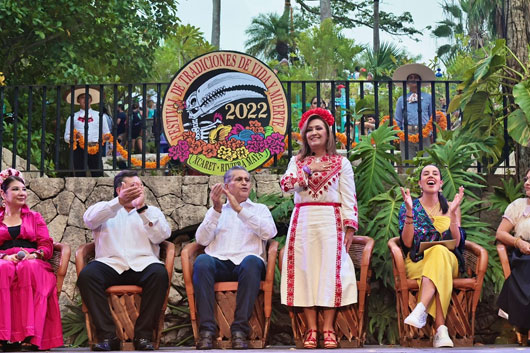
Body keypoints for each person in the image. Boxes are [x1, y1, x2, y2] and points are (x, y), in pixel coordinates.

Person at [280, 108, 359, 349]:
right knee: (304, 272)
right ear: (304, 135)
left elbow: (349, 197)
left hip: (331, 221)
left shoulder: (341, 162)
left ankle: (328, 329)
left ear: (328, 134)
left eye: (319, 129)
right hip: (303, 220)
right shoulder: (297, 161)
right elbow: (285, 186)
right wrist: (307, 173)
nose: (314, 133)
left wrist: (350, 228)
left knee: (330, 274)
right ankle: (312, 329)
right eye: (310, 130)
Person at [77, 170, 171, 351]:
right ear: (119, 189)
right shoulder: (105, 208)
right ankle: (107, 336)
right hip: (110, 263)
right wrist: (118, 202)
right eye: (133, 186)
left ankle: (143, 337)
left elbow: (161, 237)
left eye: (140, 186)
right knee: (88, 276)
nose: (139, 189)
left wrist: (142, 211)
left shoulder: (152, 211)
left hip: (143, 263)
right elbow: (89, 220)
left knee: (159, 274)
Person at [192, 166, 277, 350]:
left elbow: (269, 232)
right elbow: (201, 240)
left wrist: (240, 209)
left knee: (252, 262)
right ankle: (206, 330)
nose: (245, 182)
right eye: (239, 179)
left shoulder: (259, 209)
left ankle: (240, 330)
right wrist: (215, 210)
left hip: (247, 264)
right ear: (226, 186)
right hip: (219, 262)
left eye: (247, 179)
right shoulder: (217, 210)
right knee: (202, 261)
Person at [399, 164, 465, 348]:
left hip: (449, 260)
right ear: (420, 183)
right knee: (437, 262)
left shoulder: (451, 207)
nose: (431, 176)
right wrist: (410, 212)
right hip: (418, 261)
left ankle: (421, 308)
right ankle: (441, 330)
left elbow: (457, 242)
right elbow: (407, 242)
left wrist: (452, 216)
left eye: (435, 173)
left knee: (439, 251)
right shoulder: (410, 206)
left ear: (441, 183)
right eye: (426, 174)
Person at [0, 168, 63, 351]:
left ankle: (31, 335)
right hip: (5, 259)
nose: (22, 193)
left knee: (28, 267)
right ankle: (4, 335)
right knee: (3, 268)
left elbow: (46, 245)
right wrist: (4, 256)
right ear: (3, 193)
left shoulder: (35, 217)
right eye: (15, 189)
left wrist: (35, 254)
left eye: (24, 189)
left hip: (32, 260)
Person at [496, 168, 530, 345]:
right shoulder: (518, 206)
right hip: (525, 255)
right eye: (526, 179)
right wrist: (519, 243)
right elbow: (500, 234)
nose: (527, 183)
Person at [64, 87, 110, 177]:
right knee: (79, 174)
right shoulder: (73, 117)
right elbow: (66, 136)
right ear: (78, 100)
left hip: (95, 147)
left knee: (98, 174)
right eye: (82, 98)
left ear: (91, 100)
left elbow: (107, 133)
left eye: (87, 97)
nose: (85, 100)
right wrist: (74, 137)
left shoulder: (99, 116)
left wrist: (102, 141)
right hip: (78, 149)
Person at [392, 63, 435, 161]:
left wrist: (431, 132)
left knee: (427, 160)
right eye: (410, 77)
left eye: (416, 77)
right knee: (408, 161)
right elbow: (398, 119)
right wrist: (398, 134)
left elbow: (432, 115)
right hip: (407, 132)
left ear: (420, 80)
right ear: (407, 82)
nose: (413, 79)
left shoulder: (428, 97)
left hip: (424, 131)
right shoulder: (401, 99)